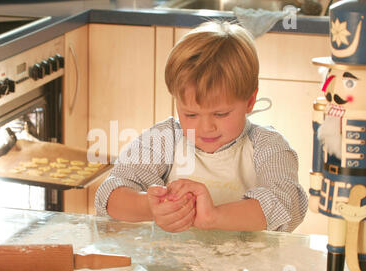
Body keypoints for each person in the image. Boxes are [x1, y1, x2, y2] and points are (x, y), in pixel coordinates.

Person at [94, 20, 308, 233]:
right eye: (191, 114)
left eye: (221, 114)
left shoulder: (268, 146)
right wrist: (151, 207)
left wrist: (214, 217)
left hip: (247, 267)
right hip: (173, 265)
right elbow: (110, 195)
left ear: (250, 101)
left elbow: (287, 204)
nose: (205, 127)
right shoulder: (164, 139)